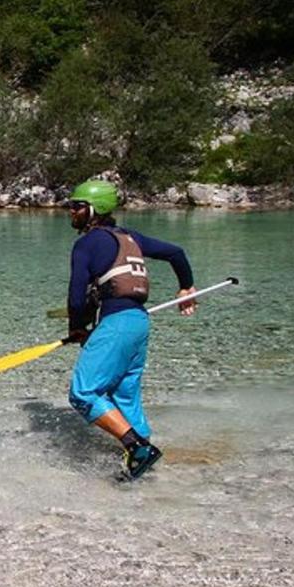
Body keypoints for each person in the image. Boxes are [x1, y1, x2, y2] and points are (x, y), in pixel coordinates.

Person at [65, 179, 197, 481]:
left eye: (76, 206)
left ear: (93, 209)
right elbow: (176, 253)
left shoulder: (86, 244)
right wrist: (185, 287)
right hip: (138, 322)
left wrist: (76, 328)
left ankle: (136, 448)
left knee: (83, 394)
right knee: (124, 394)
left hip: (116, 324)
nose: (71, 212)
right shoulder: (131, 237)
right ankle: (144, 457)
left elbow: (75, 296)